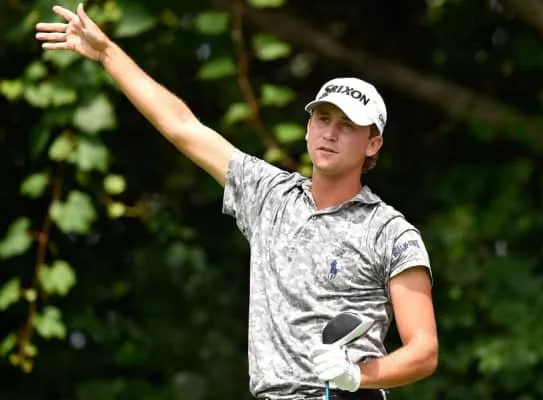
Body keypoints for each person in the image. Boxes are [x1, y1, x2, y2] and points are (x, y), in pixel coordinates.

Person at [35, 4, 438, 400]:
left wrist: (356, 376)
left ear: (373, 144)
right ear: (308, 128)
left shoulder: (389, 232)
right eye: (323, 119)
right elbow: (182, 127)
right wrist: (107, 53)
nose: (330, 133)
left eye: (347, 125)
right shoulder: (270, 197)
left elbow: (424, 351)